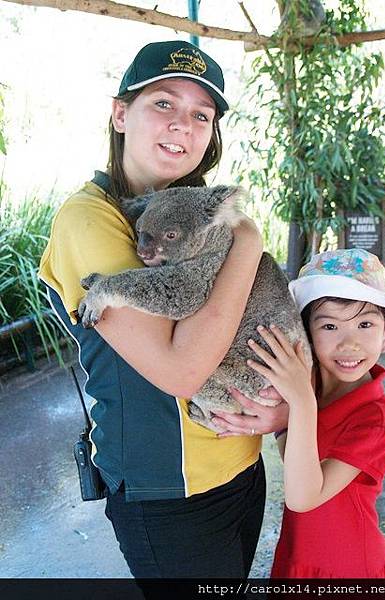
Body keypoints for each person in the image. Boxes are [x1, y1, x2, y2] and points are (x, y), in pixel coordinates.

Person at [38, 40, 288, 580]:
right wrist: (248, 243)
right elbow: (181, 370)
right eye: (164, 103)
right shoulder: (90, 218)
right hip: (170, 490)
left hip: (241, 458)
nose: (183, 125)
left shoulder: (194, 206)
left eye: (202, 115)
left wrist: (286, 406)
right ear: (121, 113)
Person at [232, 248, 385, 578]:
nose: (349, 343)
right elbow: (301, 463)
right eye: (329, 327)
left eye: (365, 324)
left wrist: (300, 405)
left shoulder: (376, 420)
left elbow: (303, 496)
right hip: (298, 557)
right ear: (307, 332)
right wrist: (285, 424)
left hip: (349, 570)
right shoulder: (311, 388)